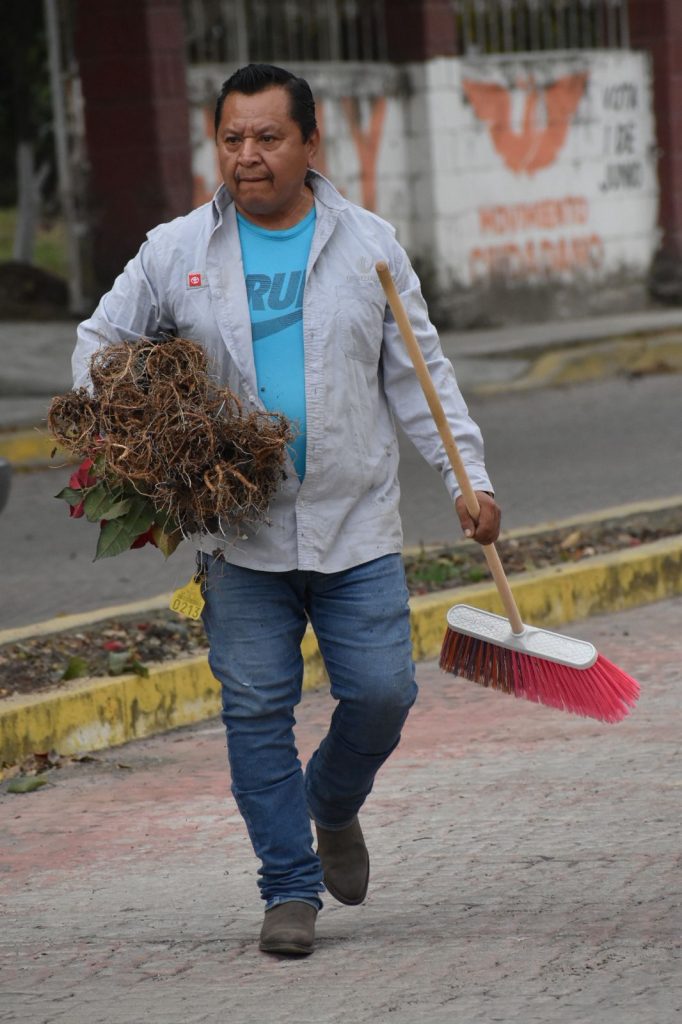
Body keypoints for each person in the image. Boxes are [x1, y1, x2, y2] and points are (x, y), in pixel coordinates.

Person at [73, 63, 501, 956]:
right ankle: (288, 889)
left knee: (382, 694)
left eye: (268, 138)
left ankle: (332, 804)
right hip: (239, 535)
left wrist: (470, 478)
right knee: (255, 710)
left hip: (355, 525)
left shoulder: (371, 247)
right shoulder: (175, 252)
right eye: (232, 138)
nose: (248, 156)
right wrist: (133, 425)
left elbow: (421, 375)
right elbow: (100, 347)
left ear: (310, 143)